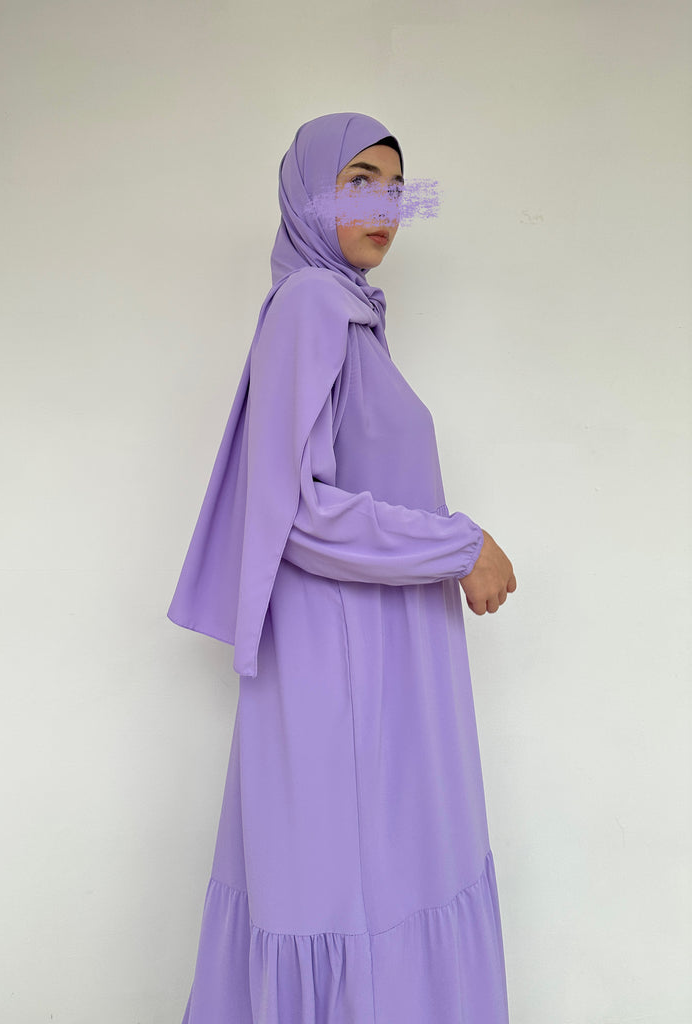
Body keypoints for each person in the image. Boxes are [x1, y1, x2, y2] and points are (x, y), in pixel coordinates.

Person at [167, 112, 515, 1023]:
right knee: (348, 888)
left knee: (377, 882)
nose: (384, 208)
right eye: (358, 182)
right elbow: (294, 512)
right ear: (307, 194)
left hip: (379, 657)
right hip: (343, 664)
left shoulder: (348, 314)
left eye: (396, 190)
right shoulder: (311, 305)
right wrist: (462, 544)